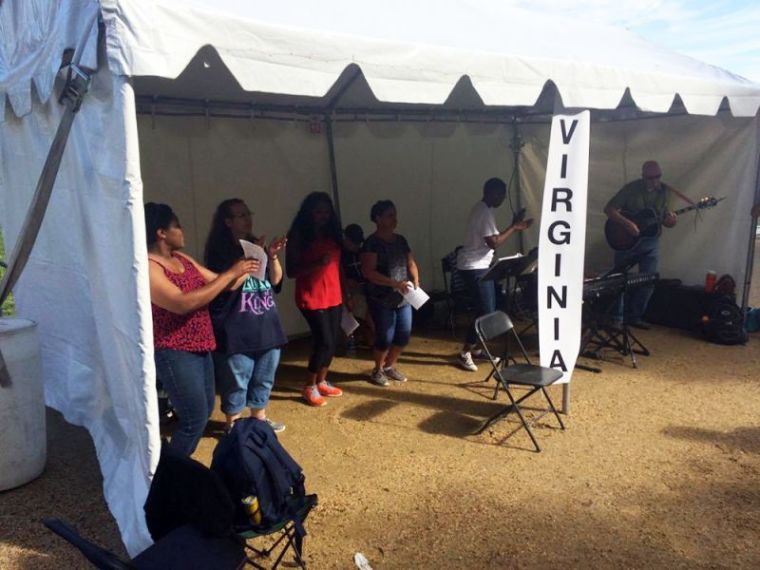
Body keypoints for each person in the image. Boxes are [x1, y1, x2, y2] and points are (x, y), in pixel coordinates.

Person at [145, 202, 257, 455]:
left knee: (204, 411)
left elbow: (222, 284)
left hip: (201, 345)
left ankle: (176, 472)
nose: (182, 231)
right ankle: (169, 476)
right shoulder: (149, 267)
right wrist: (231, 273)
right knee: (193, 419)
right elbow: (182, 303)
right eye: (178, 226)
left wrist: (256, 262)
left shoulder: (181, 258)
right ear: (161, 232)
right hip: (174, 349)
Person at [204, 198, 288, 434]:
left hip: (266, 325)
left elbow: (276, 280)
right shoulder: (219, 250)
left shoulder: (254, 244)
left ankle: (259, 420)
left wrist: (270, 257)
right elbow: (226, 285)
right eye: (240, 215)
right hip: (236, 328)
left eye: (247, 213)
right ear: (228, 222)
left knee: (264, 377)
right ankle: (233, 425)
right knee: (236, 382)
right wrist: (248, 264)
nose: (247, 218)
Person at [456, 177, 532, 372]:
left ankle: (477, 349)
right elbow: (494, 242)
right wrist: (514, 227)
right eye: (501, 194)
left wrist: (513, 224)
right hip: (474, 267)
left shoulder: (485, 210)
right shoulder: (483, 212)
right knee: (485, 311)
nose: (502, 198)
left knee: (486, 309)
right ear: (491, 192)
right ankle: (465, 352)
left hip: (478, 265)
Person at [286, 192, 346, 407]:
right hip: (311, 295)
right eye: (318, 211)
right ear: (309, 212)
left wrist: (345, 293)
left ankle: (322, 381)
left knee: (333, 342)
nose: (323, 216)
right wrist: (316, 264)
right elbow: (291, 271)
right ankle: (309, 385)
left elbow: (338, 267)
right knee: (324, 341)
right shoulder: (298, 234)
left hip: (334, 294)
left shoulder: (333, 234)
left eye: (327, 212)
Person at [604, 160, 678, 329]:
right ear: (643, 176)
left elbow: (668, 222)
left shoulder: (666, 193)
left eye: (657, 177)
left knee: (649, 279)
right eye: (650, 177)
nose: (654, 181)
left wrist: (671, 221)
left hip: (650, 241)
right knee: (619, 279)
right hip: (626, 240)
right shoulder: (631, 189)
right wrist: (627, 224)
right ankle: (617, 318)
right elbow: (609, 209)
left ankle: (635, 316)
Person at [361, 200, 420, 386]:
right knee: (384, 337)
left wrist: (415, 280)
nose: (394, 219)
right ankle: (377, 369)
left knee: (403, 335)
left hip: (403, 298)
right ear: (378, 218)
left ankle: (389, 366)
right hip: (381, 298)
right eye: (390, 215)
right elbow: (368, 272)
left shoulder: (401, 240)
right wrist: (393, 283)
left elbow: (410, 262)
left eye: (394, 215)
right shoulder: (372, 243)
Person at [342, 223, 374, 347]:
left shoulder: (362, 252)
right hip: (350, 292)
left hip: (366, 289)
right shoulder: (340, 255)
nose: (356, 246)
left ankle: (373, 339)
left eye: (358, 243)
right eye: (354, 243)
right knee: (360, 314)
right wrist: (347, 294)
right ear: (346, 239)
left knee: (369, 311)